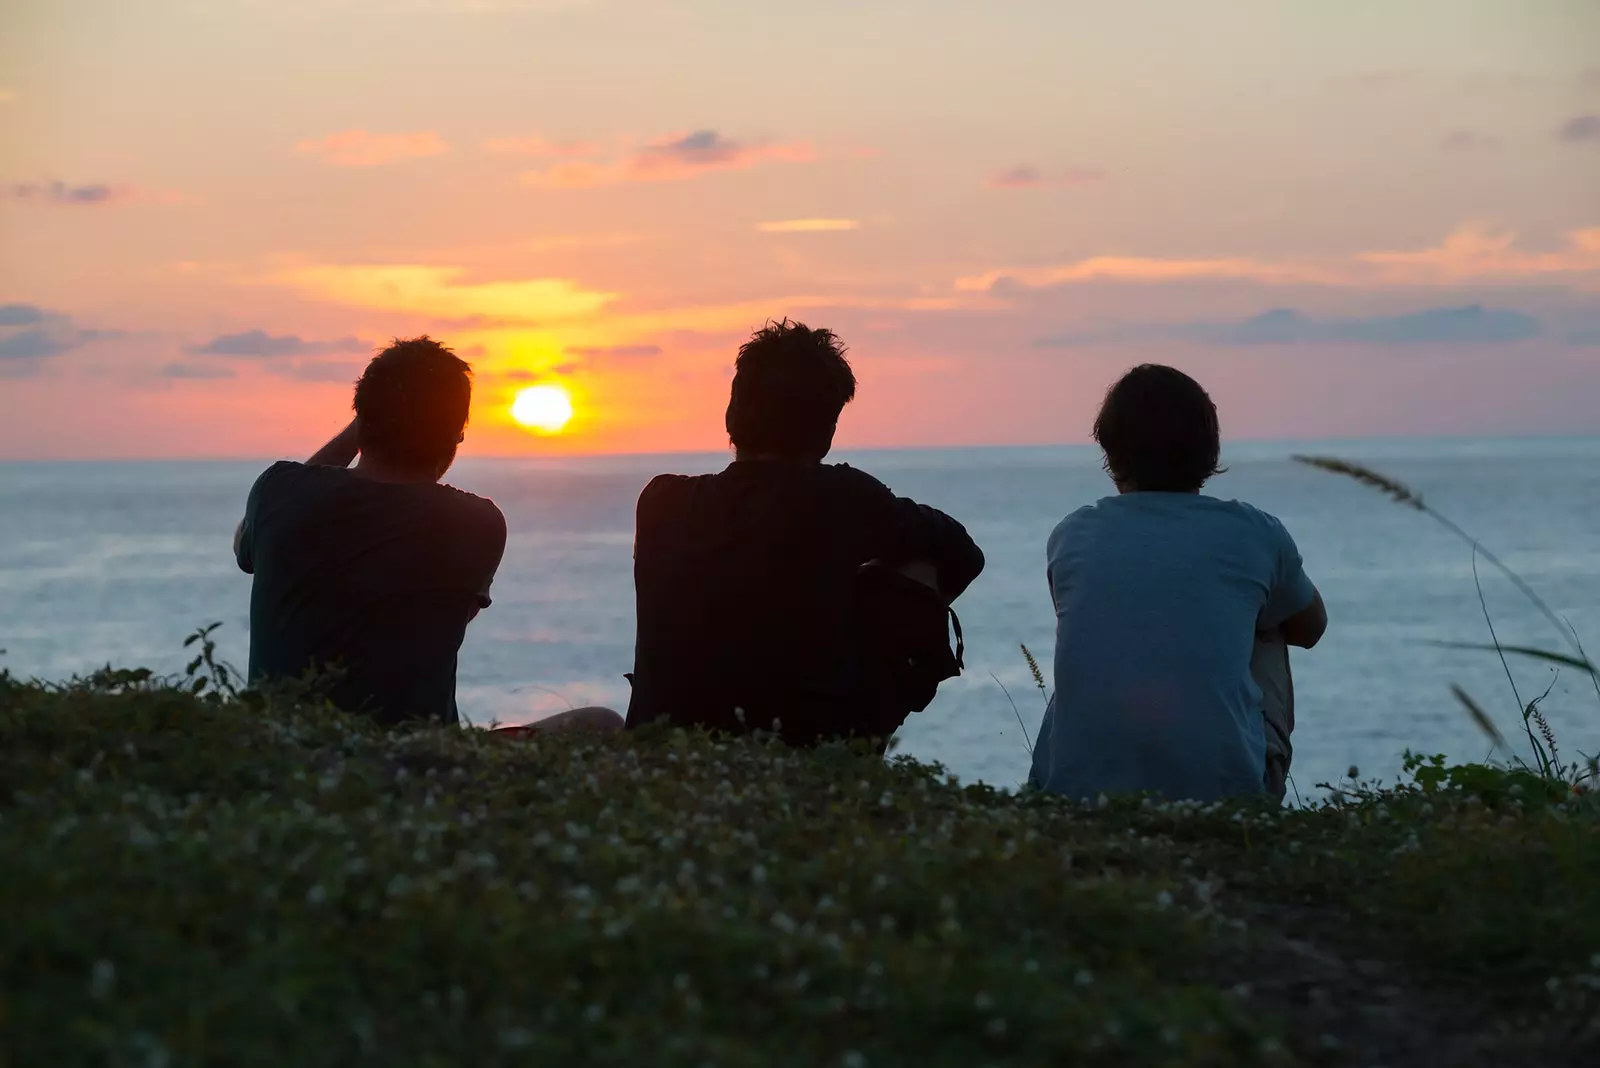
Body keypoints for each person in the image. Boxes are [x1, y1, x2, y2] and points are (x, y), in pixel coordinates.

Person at [233, 335, 621, 734]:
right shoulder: (475, 523)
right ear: (456, 435)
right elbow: (436, 621)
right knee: (601, 724)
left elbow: (246, 548)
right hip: (415, 762)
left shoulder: (278, 489)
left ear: (362, 418)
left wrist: (358, 429)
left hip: (279, 749)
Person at [626, 319, 985, 747]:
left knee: (593, 719)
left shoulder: (659, 501)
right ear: (828, 430)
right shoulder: (843, 498)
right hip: (805, 742)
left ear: (730, 414)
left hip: (662, 745)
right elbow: (963, 554)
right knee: (920, 565)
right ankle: (856, 753)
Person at [1028, 364, 1326, 803]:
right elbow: (1310, 628)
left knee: (1110, 647)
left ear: (1110, 449)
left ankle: (1060, 789)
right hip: (1223, 798)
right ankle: (1238, 792)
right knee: (1272, 626)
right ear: (1208, 450)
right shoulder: (1254, 532)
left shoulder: (1073, 533)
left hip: (1079, 798)